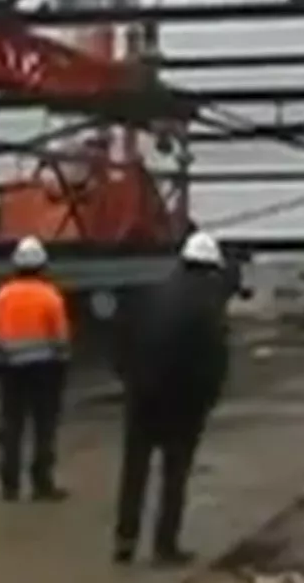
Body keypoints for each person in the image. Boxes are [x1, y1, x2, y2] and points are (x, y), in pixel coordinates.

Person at [112, 229, 232, 567]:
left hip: (141, 398)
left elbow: (120, 341)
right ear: (211, 268)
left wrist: (129, 380)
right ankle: (165, 546)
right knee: (174, 476)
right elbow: (214, 360)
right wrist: (208, 400)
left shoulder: (149, 294)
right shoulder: (209, 306)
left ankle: (125, 541)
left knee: (134, 472)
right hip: (182, 405)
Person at [0, 235, 71, 502]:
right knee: (44, 427)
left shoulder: (1, 297)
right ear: (42, 265)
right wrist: (63, 364)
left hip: (11, 370)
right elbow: (61, 339)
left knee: (12, 427)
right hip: (44, 370)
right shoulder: (50, 296)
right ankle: (42, 484)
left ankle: (10, 486)